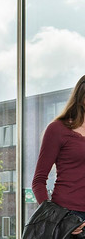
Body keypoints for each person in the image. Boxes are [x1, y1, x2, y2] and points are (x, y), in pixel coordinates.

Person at [32, 74, 85, 236]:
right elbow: (38, 181)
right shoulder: (58, 129)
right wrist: (59, 218)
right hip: (70, 216)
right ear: (81, 97)